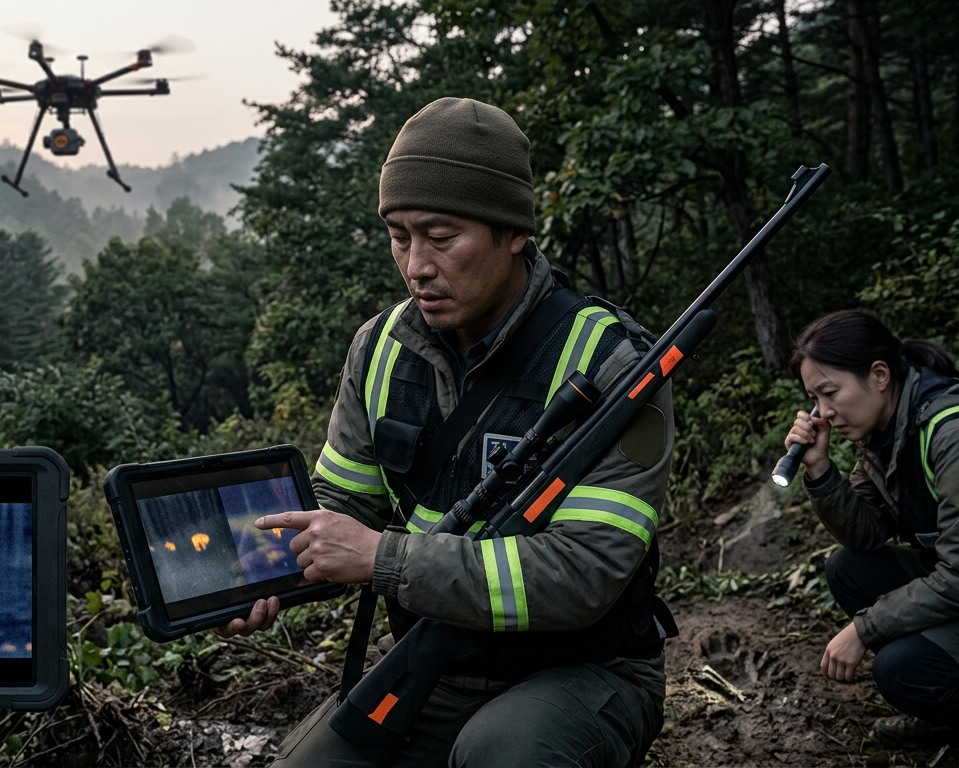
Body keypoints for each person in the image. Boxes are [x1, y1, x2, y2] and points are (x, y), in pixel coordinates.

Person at [216, 97, 676, 766]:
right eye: (399, 236)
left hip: (583, 669)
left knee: (504, 756)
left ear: (513, 230)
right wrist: (263, 574)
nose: (415, 265)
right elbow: (342, 504)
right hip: (432, 659)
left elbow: (584, 573)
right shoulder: (378, 349)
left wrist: (385, 560)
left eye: (440, 235)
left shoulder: (611, 364)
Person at [784, 309, 959, 742]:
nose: (823, 413)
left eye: (830, 393)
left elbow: (957, 578)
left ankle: (939, 690)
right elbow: (864, 534)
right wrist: (821, 469)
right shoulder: (884, 432)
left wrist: (865, 628)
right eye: (815, 400)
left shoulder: (948, 433)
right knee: (848, 568)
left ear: (879, 374)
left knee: (900, 668)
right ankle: (942, 698)